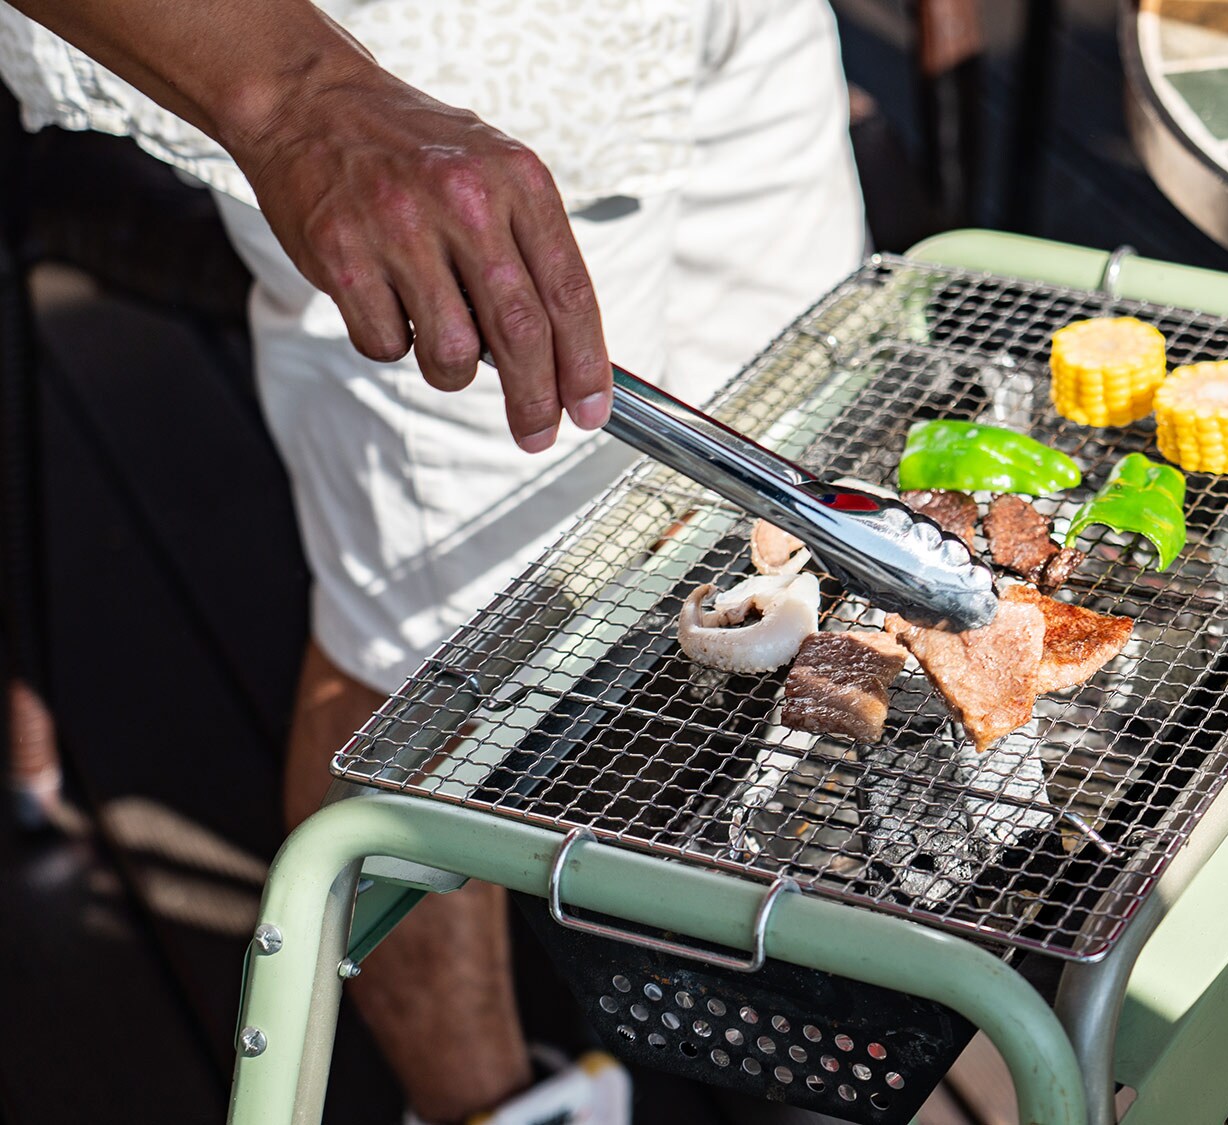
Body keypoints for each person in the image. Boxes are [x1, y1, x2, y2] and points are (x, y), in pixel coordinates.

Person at [0, 0, 865, 1121]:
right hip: (413, 61)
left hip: (713, 28)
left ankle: (760, 985)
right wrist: (303, 100)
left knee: (797, 466)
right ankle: (483, 1104)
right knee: (433, 667)